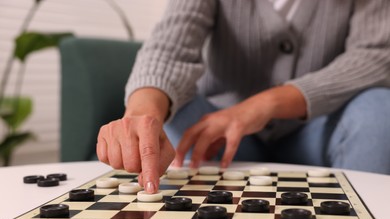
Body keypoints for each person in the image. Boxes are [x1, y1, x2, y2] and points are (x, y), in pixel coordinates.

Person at [96, 0, 390, 194]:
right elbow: (171, 45)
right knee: (172, 111)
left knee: (379, 111)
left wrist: (266, 103)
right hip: (222, 136)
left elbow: (375, 55)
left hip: (319, 131)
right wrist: (141, 113)